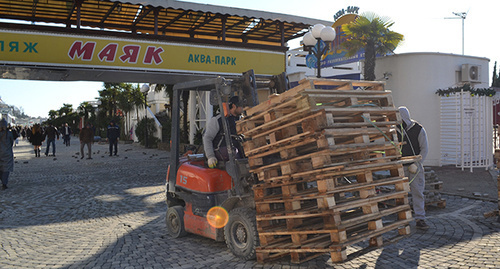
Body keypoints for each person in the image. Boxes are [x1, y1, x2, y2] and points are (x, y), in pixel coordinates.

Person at [397, 106, 429, 230]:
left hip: (415, 167)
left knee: (417, 192)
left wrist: (417, 163)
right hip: (401, 167)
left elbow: (424, 148)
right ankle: (403, 218)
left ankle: (420, 218)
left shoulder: (418, 129)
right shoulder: (395, 131)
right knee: (401, 193)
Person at [203, 96, 244, 169]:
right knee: (234, 152)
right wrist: (210, 156)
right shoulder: (219, 120)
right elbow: (207, 138)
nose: (243, 109)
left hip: (234, 149)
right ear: (234, 106)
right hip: (222, 150)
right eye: (241, 106)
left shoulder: (240, 120)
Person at [0, 119, 14, 190]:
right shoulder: (9, 133)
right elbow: (11, 142)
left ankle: (3, 180)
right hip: (7, 152)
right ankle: (4, 183)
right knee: (6, 169)